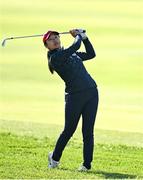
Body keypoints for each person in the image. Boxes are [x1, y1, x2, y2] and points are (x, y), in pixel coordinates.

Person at [43, 29, 99, 171]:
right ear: (47, 46)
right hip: (74, 96)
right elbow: (75, 46)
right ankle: (54, 158)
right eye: (51, 39)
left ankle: (86, 165)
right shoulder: (55, 58)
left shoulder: (70, 53)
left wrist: (85, 38)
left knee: (88, 131)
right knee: (69, 130)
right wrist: (78, 36)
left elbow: (91, 54)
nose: (55, 40)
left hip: (92, 92)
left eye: (56, 37)